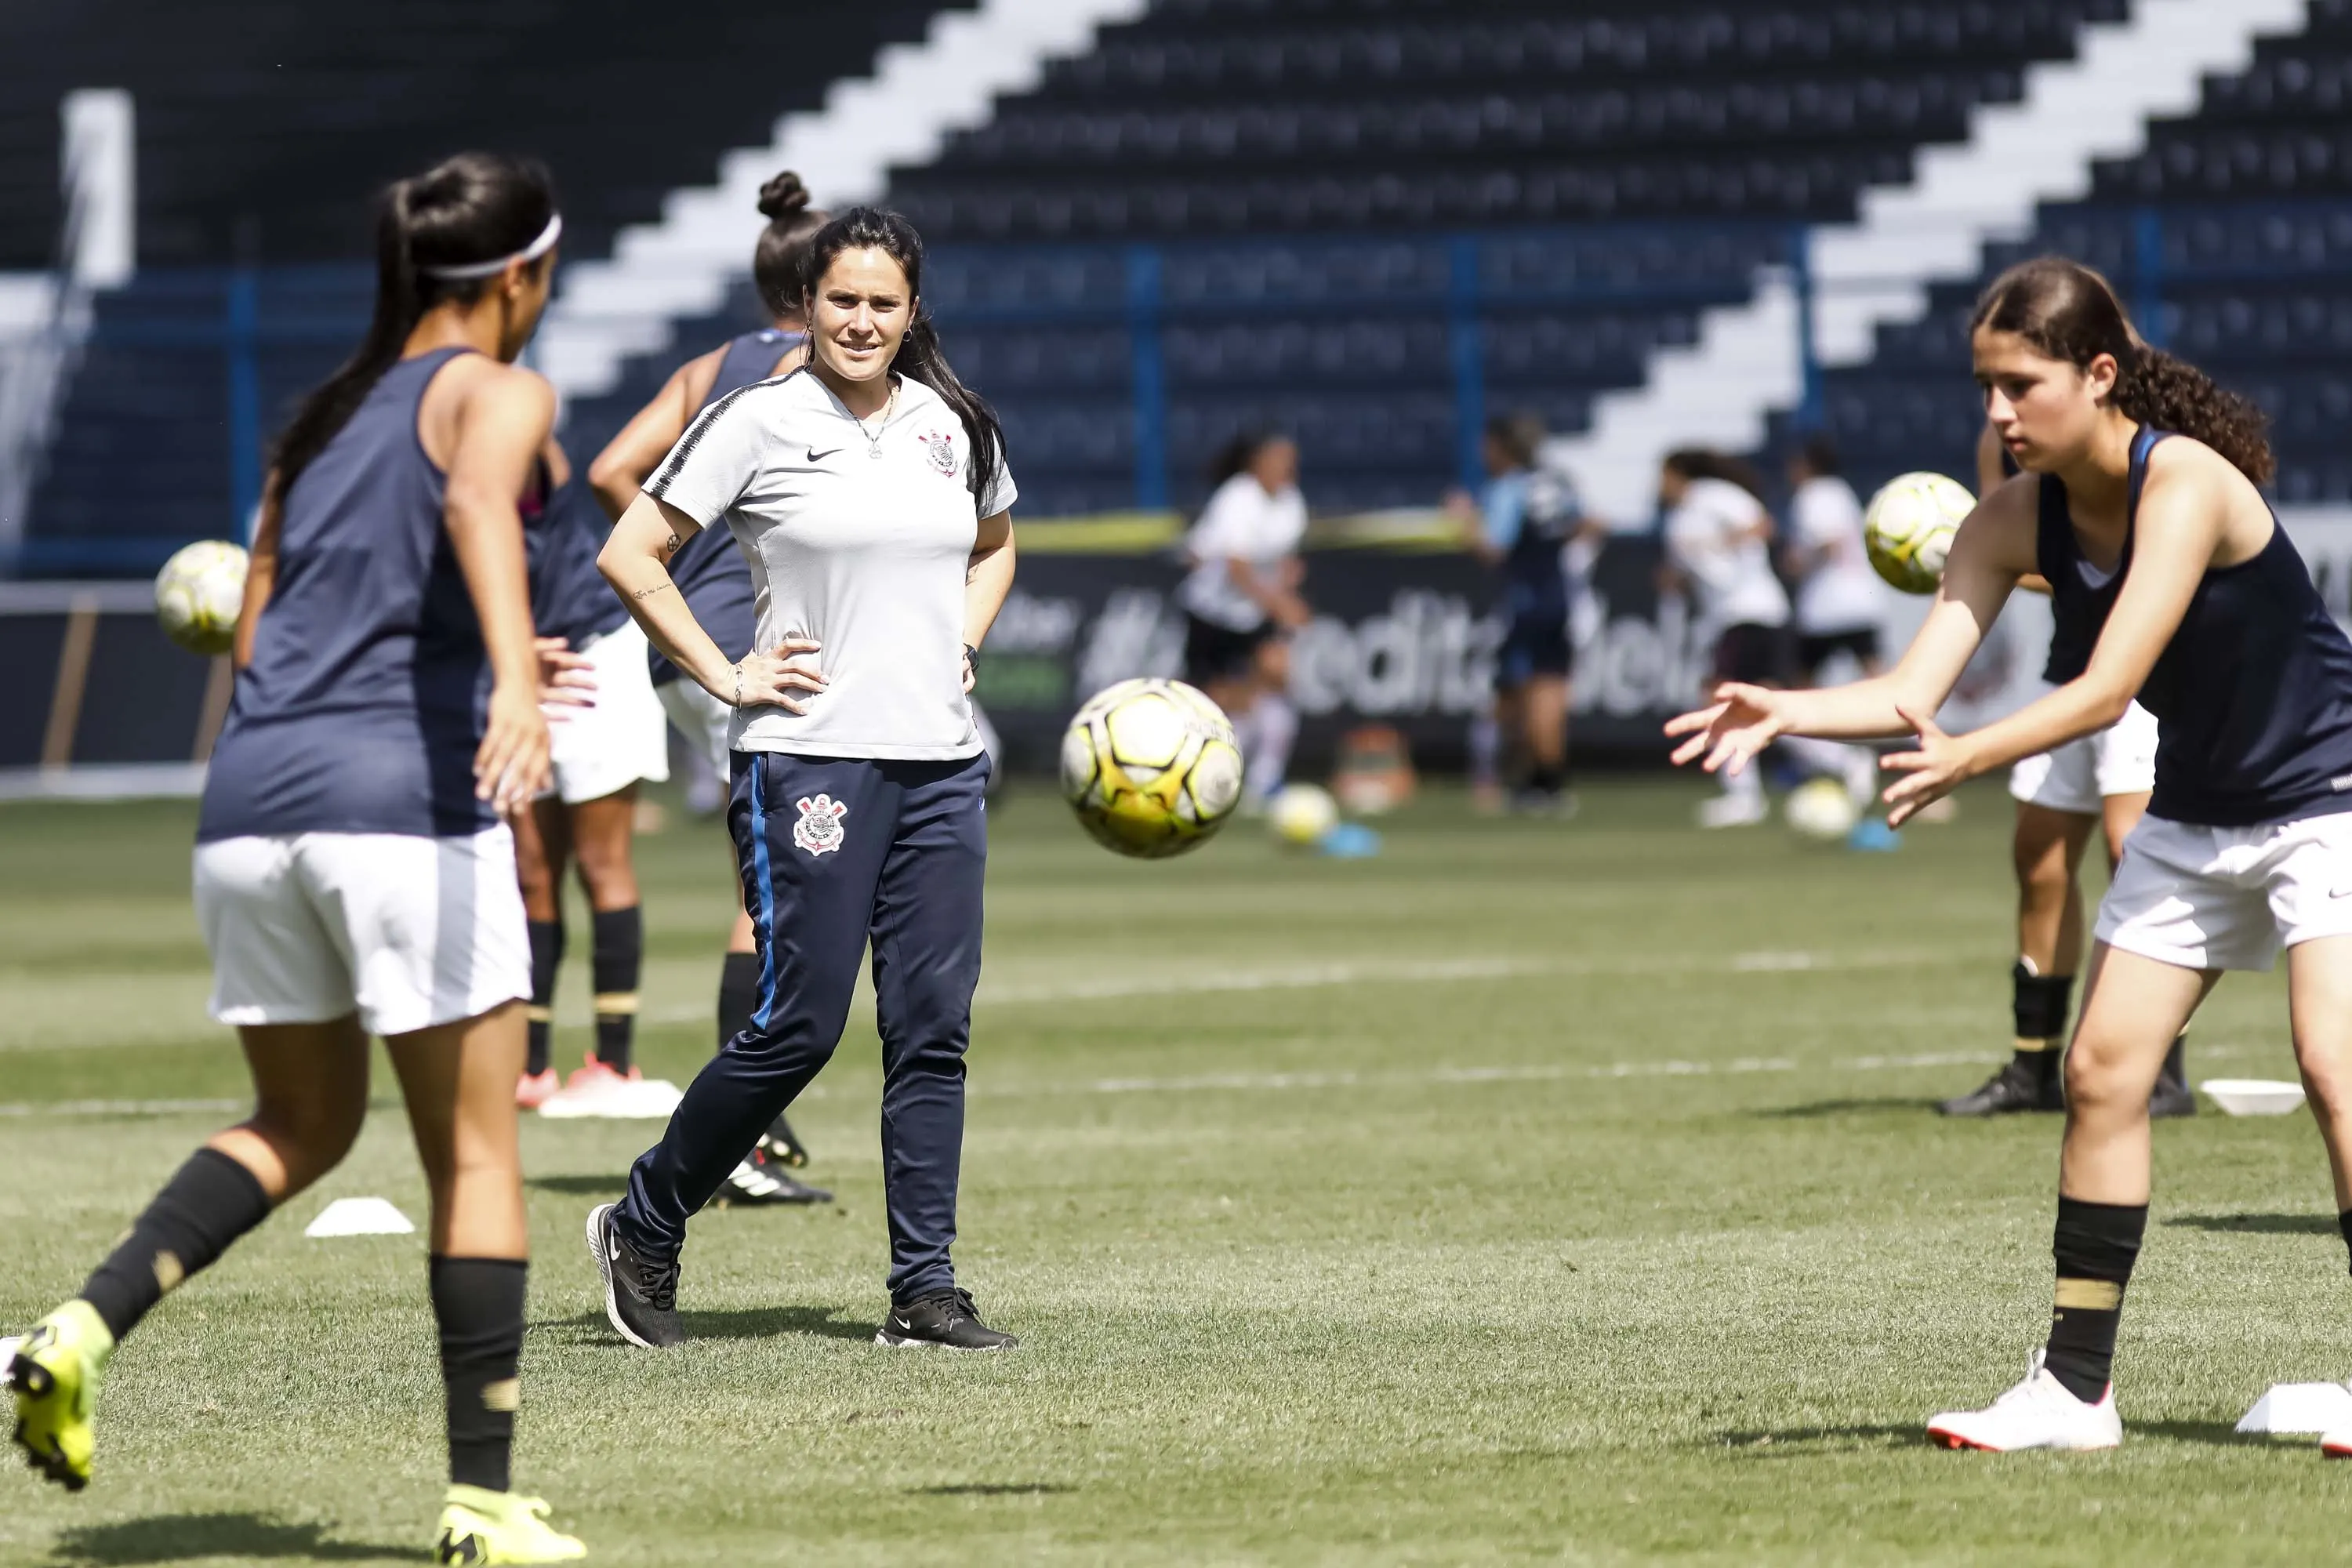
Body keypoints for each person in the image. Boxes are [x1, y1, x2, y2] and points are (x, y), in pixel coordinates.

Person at [1668, 255, 2352, 1454]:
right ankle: (2075, 1393)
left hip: (2326, 796)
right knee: (2099, 1074)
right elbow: (1907, 688)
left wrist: (1970, 757)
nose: (1994, 415)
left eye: (2018, 386)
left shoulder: (2185, 482)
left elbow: (2109, 687)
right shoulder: (2006, 517)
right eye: (1985, 387)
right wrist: (1784, 708)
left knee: (2336, 1069)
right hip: (2200, 814)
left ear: (2099, 375)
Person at [8, 152, 588, 1561]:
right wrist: (510, 683)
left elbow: (264, 643)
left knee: (302, 1126)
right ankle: (483, 1504)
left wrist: (465, 662)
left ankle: (71, 1335)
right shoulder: (500, 391)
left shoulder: (320, 420)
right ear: (520, 276)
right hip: (398, 814)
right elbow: (470, 509)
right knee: (476, 1151)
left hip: (251, 808)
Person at [586, 205, 1018, 1353]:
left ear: (912, 310)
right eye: (843, 301)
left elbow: (997, 541)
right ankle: (646, 1218)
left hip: (940, 765)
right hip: (808, 762)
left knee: (932, 1028)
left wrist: (964, 637)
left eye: (883, 303)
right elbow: (631, 552)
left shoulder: (953, 423)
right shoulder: (757, 419)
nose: (863, 321)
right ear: (809, 307)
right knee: (800, 1024)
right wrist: (726, 672)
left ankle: (924, 1291)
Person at [585, 169, 831, 1206]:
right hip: (754, 652)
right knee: (768, 888)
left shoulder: (714, 365)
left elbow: (610, 470)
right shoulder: (831, 369)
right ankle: (743, 1140)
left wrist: (680, 549)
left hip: (681, 643)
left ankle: (748, 1131)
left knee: (763, 877)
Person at [1940, 421, 2194, 1120]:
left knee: (2130, 853)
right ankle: (2032, 1068)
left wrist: (1971, 557)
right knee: (2041, 862)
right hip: (2067, 677)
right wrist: (1975, 555)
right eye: (1991, 382)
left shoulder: (2146, 449)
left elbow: (2118, 566)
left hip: (2138, 680)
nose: (1999, 401)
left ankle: (2162, 1071)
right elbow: (2020, 536)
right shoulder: (2000, 438)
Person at [513, 438, 681, 1121]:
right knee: (529, 868)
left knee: (599, 860)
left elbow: (549, 449)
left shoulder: (511, 428)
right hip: (517, 667)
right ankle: (529, 1066)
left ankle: (613, 1062)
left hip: (593, 651)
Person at [1445, 412, 1602, 815]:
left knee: (1523, 694)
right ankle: (1548, 783)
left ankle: (1526, 781)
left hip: (1526, 603)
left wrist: (1463, 525)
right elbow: (1589, 524)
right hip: (1561, 600)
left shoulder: (1508, 490)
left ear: (1501, 447)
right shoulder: (1556, 483)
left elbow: (1494, 548)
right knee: (1552, 692)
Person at [1658, 449, 1792, 828]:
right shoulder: (1677, 520)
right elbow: (1693, 573)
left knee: (1717, 698)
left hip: (1748, 610)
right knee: (1772, 704)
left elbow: (1762, 525)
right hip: (1733, 616)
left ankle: (1743, 796)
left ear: (1678, 475)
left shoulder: (1712, 496)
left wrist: (1723, 545)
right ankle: (1846, 764)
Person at [1178, 430, 1310, 805]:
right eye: (1280, 459)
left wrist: (1287, 593)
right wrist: (1280, 605)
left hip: (1252, 612)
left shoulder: (1291, 502)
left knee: (1277, 675)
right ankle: (1210, 780)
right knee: (1218, 703)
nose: (1288, 467)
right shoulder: (1238, 498)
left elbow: (1287, 560)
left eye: (1291, 459)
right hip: (1211, 612)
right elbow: (1237, 568)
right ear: (1257, 462)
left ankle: (1266, 780)